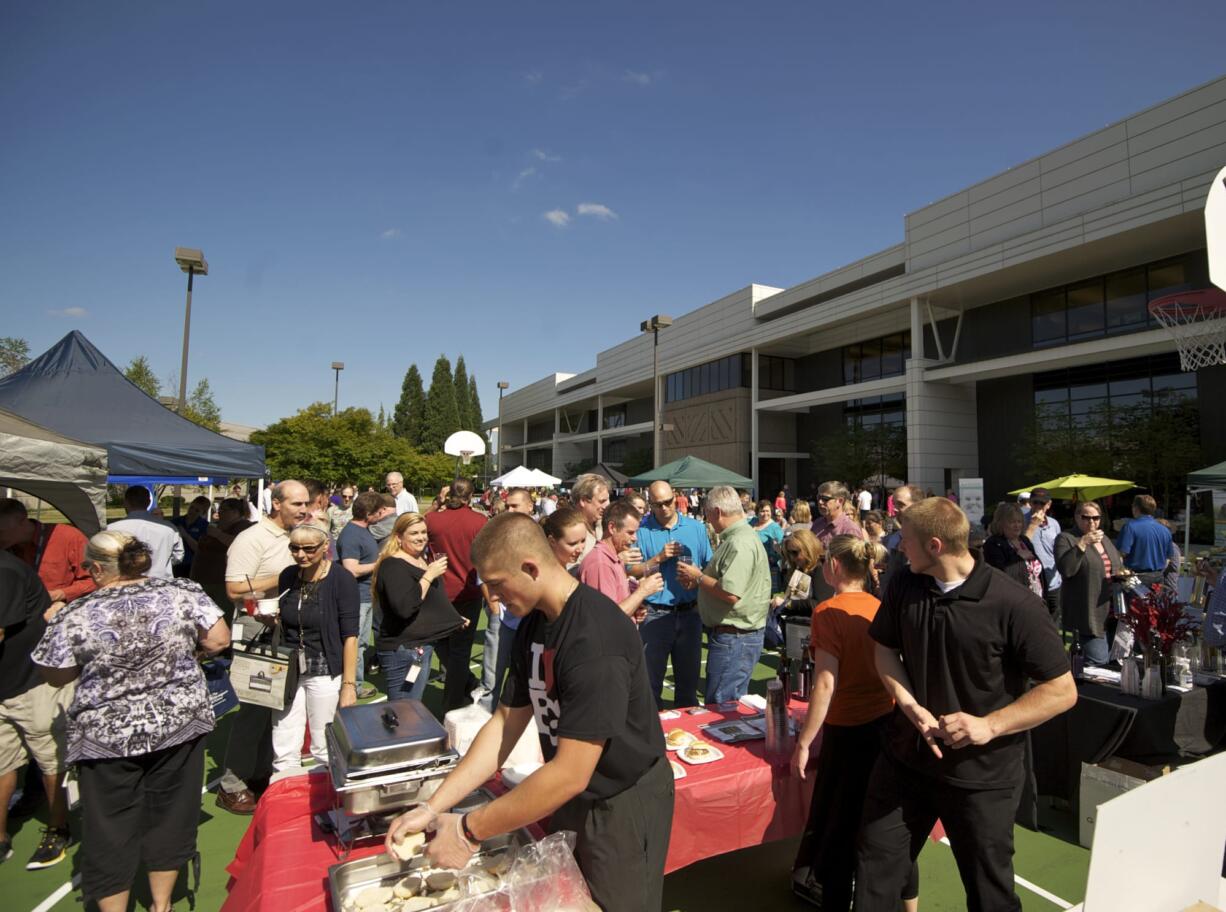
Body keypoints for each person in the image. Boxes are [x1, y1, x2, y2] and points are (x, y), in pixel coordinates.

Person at [384, 513, 673, 912]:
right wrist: (434, 806)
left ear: (531, 568)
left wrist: (468, 831)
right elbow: (504, 723)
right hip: (571, 794)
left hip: (620, 801)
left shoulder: (594, 639)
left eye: (498, 584)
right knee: (567, 896)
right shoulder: (536, 623)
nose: (494, 598)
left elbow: (571, 773)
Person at [854, 497, 1075, 912]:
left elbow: (1062, 690)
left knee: (989, 891)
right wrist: (908, 704)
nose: (901, 547)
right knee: (875, 870)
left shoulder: (1014, 603)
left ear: (935, 545)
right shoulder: (904, 583)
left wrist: (987, 726)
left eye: (908, 541)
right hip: (906, 760)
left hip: (981, 775)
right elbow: (883, 650)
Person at [31, 532, 230, 911]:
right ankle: (162, 903)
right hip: (178, 723)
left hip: (108, 735)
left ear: (95, 569)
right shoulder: (182, 593)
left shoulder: (78, 612)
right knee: (173, 813)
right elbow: (218, 640)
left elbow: (55, 674)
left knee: (109, 827)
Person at [788, 535, 917, 911]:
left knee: (839, 831)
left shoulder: (829, 611)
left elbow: (826, 681)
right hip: (883, 726)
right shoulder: (878, 606)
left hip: (847, 735)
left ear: (835, 567)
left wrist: (803, 742)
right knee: (880, 826)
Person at [215, 479, 309, 816]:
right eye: (297, 504)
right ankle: (231, 785)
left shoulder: (295, 538)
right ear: (277, 504)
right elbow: (234, 589)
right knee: (254, 710)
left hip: (286, 630)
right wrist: (286, 576)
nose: (304, 510)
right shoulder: (251, 538)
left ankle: (259, 773)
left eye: (306, 503)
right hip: (256, 631)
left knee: (280, 706)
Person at [265, 525, 358, 772]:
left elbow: (350, 636)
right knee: (284, 735)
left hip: (325, 668)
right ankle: (284, 788)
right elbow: (287, 619)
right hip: (288, 667)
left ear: (325, 546)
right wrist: (271, 620)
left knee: (323, 741)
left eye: (309, 549)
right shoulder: (288, 576)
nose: (301, 555)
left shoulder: (341, 579)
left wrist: (349, 685)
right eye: (294, 548)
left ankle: (324, 795)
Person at [0, 549, 72, 870]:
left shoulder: (6, 570)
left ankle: (59, 828)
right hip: (5, 686)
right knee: (2, 764)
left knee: (51, 761)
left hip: (34, 683)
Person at [676, 485, 771, 704]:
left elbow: (730, 592)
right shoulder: (740, 537)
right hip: (736, 637)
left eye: (707, 514)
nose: (706, 519)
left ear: (717, 512)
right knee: (727, 702)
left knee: (722, 705)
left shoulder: (740, 541)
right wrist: (700, 583)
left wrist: (699, 577)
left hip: (735, 638)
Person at [629, 481, 714, 709]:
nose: (664, 508)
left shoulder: (695, 528)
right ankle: (654, 739)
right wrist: (657, 558)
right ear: (650, 504)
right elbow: (631, 571)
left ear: (675, 498)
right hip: (654, 614)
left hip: (690, 613)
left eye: (667, 502)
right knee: (651, 684)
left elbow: (709, 566)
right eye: (657, 504)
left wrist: (696, 576)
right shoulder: (641, 531)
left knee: (688, 686)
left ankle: (686, 738)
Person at [373, 512, 465, 703]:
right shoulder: (393, 565)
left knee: (412, 706)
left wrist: (454, 619)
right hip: (403, 650)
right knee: (403, 709)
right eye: (414, 533)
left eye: (423, 532)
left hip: (420, 646)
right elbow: (406, 607)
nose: (421, 537)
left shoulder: (420, 560)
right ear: (399, 537)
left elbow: (430, 602)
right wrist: (429, 576)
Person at [425, 478, 488, 712]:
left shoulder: (433, 520)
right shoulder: (479, 521)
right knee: (460, 650)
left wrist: (436, 505)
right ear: (470, 496)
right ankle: (455, 699)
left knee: (442, 643)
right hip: (468, 592)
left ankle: (460, 687)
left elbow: (418, 525)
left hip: (439, 592)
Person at [479, 489, 534, 710]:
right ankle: (483, 719)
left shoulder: (539, 534)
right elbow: (481, 571)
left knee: (528, 676)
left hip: (531, 617)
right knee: (491, 676)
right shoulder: (493, 535)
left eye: (515, 506)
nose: (509, 510)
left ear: (530, 507)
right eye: (508, 505)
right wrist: (493, 606)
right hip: (502, 616)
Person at [1055, 500, 1127, 666]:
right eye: (1086, 517)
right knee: (1097, 662)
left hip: (1111, 612)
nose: (1092, 522)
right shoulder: (1067, 538)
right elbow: (1066, 569)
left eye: (1096, 518)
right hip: (1086, 614)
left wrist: (1123, 575)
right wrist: (1082, 543)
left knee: (1114, 664)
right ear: (1077, 517)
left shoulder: (1104, 539)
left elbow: (1117, 566)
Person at [338, 492, 393, 699]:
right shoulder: (352, 534)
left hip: (366, 596)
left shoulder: (362, 530)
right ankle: (354, 686)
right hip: (358, 597)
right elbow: (351, 569)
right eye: (379, 511)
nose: (382, 514)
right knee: (357, 643)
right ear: (369, 513)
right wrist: (379, 563)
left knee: (361, 642)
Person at [0, 497, 96, 615]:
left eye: (0, 531)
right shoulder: (7, 546)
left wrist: (59, 594)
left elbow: (93, 580)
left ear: (22, 522)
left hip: (60, 616)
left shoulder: (68, 537)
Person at [579, 500, 663, 620]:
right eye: (630, 533)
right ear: (612, 528)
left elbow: (618, 607)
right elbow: (608, 617)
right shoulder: (601, 564)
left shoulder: (613, 558)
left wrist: (634, 609)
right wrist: (643, 591)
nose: (635, 539)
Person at [189, 497, 254, 618]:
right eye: (220, 509)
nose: (219, 512)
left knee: (220, 617)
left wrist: (218, 534)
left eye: (224, 510)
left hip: (221, 582)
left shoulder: (243, 526)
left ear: (235, 512)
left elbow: (239, 544)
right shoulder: (217, 526)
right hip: (203, 579)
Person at [108, 486, 184, 580]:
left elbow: (107, 558)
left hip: (126, 583)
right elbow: (178, 556)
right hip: (161, 583)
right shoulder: (169, 528)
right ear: (148, 502)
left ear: (125, 503)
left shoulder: (111, 529)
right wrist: (161, 561)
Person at [984, 502, 1046, 599]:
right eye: (1012, 522)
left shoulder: (1024, 541)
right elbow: (999, 576)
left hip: (1036, 600)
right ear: (1001, 523)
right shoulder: (993, 544)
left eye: (1019, 521)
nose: (1017, 525)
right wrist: (1019, 557)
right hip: (1014, 601)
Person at [1116, 494, 1175, 588]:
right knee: (1155, 603)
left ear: (1136, 508)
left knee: (1133, 603)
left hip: (1136, 578)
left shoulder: (1130, 527)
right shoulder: (1165, 530)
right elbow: (1168, 558)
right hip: (1158, 577)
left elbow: (1120, 554)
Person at [1023, 487, 1063, 622]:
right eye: (1035, 503)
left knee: (1053, 620)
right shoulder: (1022, 521)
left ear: (1049, 504)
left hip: (1053, 581)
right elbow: (1021, 545)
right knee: (1036, 621)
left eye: (1043, 503)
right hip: (1033, 582)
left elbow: (1057, 549)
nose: (1039, 507)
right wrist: (1032, 525)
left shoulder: (1054, 524)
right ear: (1030, 502)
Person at [571, 473, 611, 562]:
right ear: (583, 500)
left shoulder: (603, 525)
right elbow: (569, 569)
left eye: (608, 500)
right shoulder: (569, 529)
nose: (607, 505)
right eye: (602, 501)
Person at [811, 481, 866, 546]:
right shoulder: (817, 523)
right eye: (818, 497)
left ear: (840, 501)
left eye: (825, 499)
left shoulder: (850, 529)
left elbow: (856, 555)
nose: (820, 502)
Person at [750, 499, 786, 591]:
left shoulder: (775, 528)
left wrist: (773, 558)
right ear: (757, 512)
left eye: (767, 511)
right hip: (750, 565)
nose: (765, 513)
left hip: (767, 568)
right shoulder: (752, 522)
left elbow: (782, 549)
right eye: (762, 511)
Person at [173, 496, 212, 578]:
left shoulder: (205, 526)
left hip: (193, 564)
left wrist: (185, 535)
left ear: (203, 513)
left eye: (197, 510)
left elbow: (200, 549)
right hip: (175, 563)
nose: (192, 511)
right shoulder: (176, 521)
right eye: (191, 507)